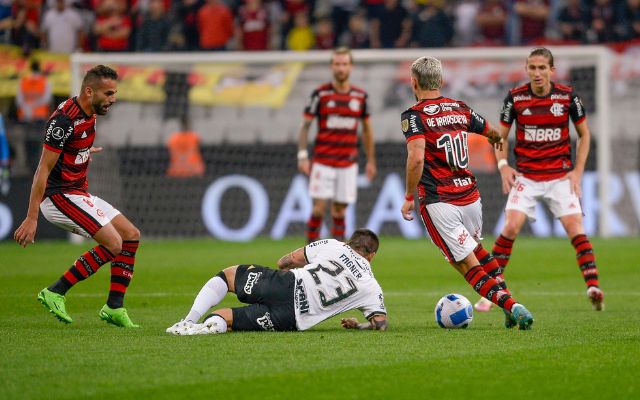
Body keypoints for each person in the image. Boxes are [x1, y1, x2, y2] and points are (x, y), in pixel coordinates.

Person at [400, 56, 534, 330]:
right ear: (440, 80)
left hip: (440, 202)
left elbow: (416, 159)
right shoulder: (460, 108)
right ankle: (508, 304)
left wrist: (408, 197)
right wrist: (501, 160)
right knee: (480, 252)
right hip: (471, 197)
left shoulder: (414, 116)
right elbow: (495, 135)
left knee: (466, 265)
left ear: (414, 82)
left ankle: (512, 306)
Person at [474, 48, 604, 313]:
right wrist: (502, 165)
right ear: (526, 69)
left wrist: (578, 171)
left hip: (559, 176)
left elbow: (585, 135)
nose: (537, 73)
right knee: (510, 227)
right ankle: (492, 293)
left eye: (542, 68)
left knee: (574, 227)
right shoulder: (516, 98)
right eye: (532, 67)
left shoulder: (568, 97)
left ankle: (593, 287)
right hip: (527, 177)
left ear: (551, 70)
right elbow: (500, 136)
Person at [13, 65, 141, 328]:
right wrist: (31, 217)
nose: (113, 99)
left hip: (78, 193)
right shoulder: (63, 122)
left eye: (114, 93)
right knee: (113, 244)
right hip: (58, 197)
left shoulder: (90, 111)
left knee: (131, 235)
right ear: (89, 90)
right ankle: (55, 291)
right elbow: (42, 169)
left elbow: (71, 145)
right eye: (108, 93)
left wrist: (82, 150)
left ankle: (114, 307)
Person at [166, 228, 387, 335]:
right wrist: (358, 325)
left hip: (285, 284)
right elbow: (380, 324)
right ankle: (207, 327)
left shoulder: (334, 245)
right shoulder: (371, 286)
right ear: (372, 256)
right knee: (228, 318)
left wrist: (280, 271)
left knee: (230, 275)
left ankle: (188, 321)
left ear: (350, 242)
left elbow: (284, 261)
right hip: (291, 320)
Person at [298, 47, 376, 243]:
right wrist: (302, 155)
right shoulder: (321, 94)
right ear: (331, 66)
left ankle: (338, 257)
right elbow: (305, 126)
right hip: (323, 160)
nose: (341, 68)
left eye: (344, 64)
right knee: (318, 209)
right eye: (337, 64)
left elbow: (366, 130)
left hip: (348, 163)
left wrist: (371, 161)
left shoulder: (360, 97)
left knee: (340, 211)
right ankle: (310, 254)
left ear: (351, 67)